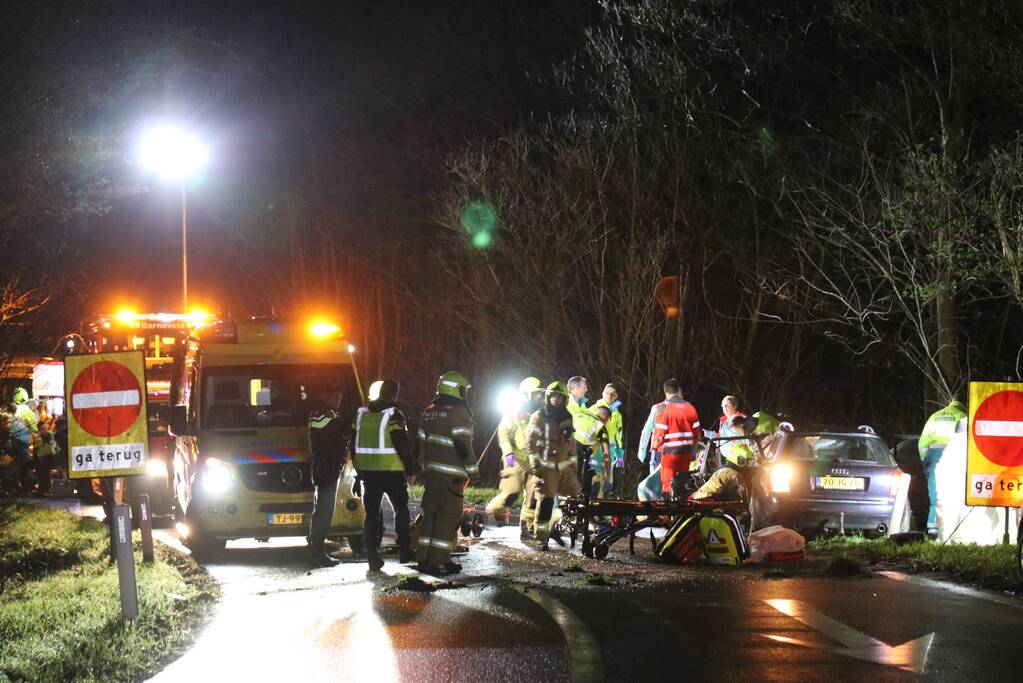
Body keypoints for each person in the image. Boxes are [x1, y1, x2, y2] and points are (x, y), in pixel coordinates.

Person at [417, 371, 477, 575]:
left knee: (430, 518)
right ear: (455, 389)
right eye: (463, 390)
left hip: (432, 476)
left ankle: (424, 559)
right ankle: (438, 561)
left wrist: (424, 468)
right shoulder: (459, 412)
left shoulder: (429, 411)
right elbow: (464, 447)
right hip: (451, 479)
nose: (465, 394)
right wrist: (473, 472)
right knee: (447, 520)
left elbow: (421, 443)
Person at [352, 378, 415, 571]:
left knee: (371, 514)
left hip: (368, 473)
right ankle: (405, 551)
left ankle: (372, 557)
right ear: (395, 393)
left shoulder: (361, 414)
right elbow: (401, 443)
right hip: (392, 470)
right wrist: (410, 469)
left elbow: (353, 444)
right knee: (401, 509)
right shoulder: (394, 414)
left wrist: (358, 473)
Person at [528, 381, 580, 551]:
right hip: (546, 468)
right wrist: (536, 466)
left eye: (559, 397)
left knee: (576, 499)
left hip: (564, 468)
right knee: (546, 502)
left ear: (564, 399)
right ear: (547, 398)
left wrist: (574, 465)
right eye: (553, 397)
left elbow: (571, 444)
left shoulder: (568, 417)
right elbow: (531, 443)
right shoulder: (538, 416)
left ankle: (557, 528)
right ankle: (541, 539)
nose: (556, 400)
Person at [485, 377, 541, 531]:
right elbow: (503, 433)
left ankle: (527, 527)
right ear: (526, 394)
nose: (539, 397)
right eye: (536, 394)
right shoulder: (514, 411)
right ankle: (495, 509)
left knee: (533, 495)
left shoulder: (538, 413)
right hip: (514, 459)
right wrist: (508, 452)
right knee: (512, 491)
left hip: (532, 461)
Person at [306, 381, 349, 568]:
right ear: (325, 396)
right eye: (334, 396)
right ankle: (317, 552)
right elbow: (340, 436)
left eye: (339, 395)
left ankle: (315, 547)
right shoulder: (327, 415)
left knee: (320, 508)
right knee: (324, 510)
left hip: (321, 466)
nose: (338, 399)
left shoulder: (317, 413)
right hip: (328, 467)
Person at [918, 399, 967, 537]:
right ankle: (952, 532)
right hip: (955, 459)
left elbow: (923, 442)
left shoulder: (935, 416)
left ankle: (933, 531)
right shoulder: (963, 416)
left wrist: (925, 461)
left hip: (933, 458)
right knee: (955, 497)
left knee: (936, 497)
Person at [650, 378, 702, 499]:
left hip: (671, 454)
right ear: (678, 391)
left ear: (665, 392)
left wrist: (654, 448)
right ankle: (682, 512)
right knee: (682, 483)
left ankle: (668, 514)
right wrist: (694, 451)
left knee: (668, 485)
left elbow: (659, 433)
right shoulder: (690, 407)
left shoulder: (664, 409)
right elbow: (697, 433)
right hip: (687, 453)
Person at [691, 415, 755, 501]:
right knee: (721, 474)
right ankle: (700, 495)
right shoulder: (750, 435)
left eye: (737, 430)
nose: (738, 433)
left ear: (741, 425)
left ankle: (700, 497)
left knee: (721, 475)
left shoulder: (751, 437)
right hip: (738, 465)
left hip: (742, 468)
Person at [592, 384, 625, 486]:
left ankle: (605, 499)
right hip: (595, 447)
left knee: (608, 478)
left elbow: (618, 435)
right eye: (607, 393)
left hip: (610, 449)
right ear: (602, 394)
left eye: (613, 394)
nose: (610, 396)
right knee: (594, 476)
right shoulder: (593, 410)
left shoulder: (617, 414)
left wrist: (619, 454)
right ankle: (591, 498)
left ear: (616, 396)